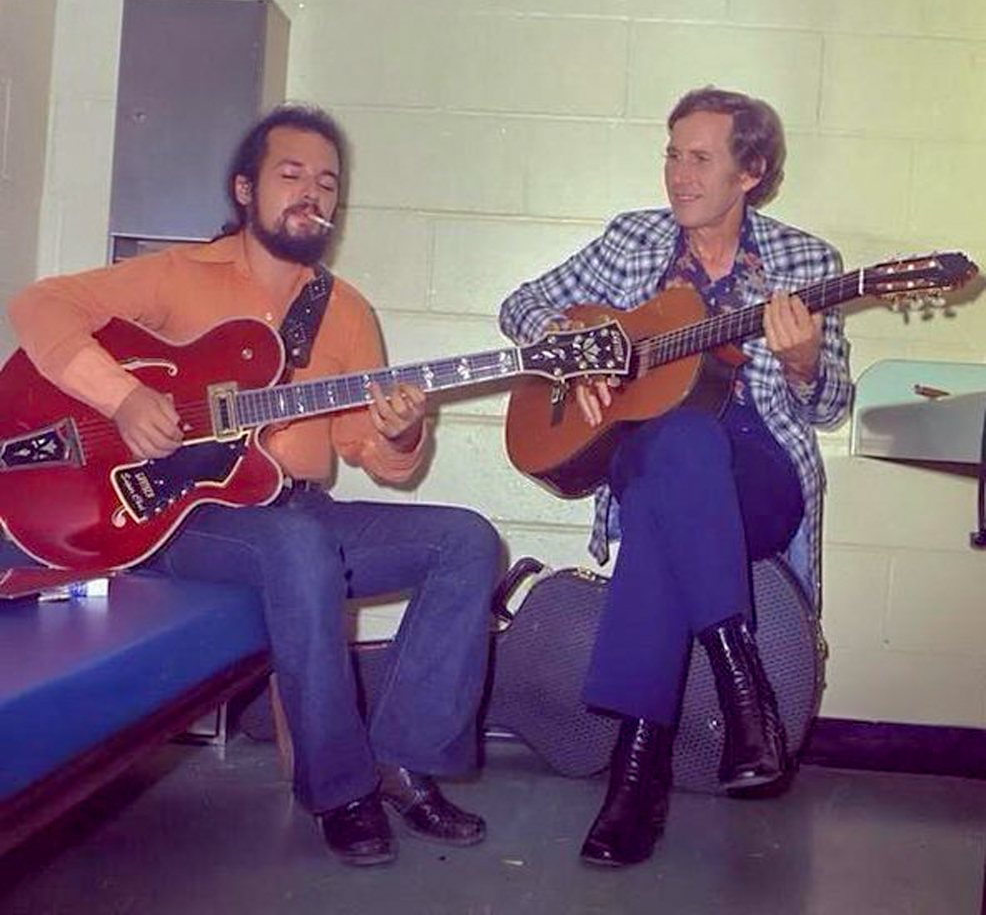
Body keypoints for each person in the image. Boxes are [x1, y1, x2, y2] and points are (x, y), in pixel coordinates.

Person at [6, 104, 502, 867]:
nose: (312, 193)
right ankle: (342, 792)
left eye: (327, 182)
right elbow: (39, 306)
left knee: (466, 540)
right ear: (245, 189)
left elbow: (367, 450)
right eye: (291, 174)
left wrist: (402, 432)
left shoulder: (346, 312)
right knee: (298, 544)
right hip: (182, 522)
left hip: (296, 510)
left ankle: (405, 762)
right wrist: (125, 398)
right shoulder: (178, 275)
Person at [499, 87, 852, 868]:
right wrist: (580, 352)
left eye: (700, 158)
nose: (678, 175)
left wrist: (803, 364)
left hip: (757, 473)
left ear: (750, 171)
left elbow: (831, 406)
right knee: (677, 441)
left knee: (670, 490)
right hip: (648, 455)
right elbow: (522, 306)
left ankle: (637, 779)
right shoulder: (632, 239)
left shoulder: (807, 263)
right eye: (671, 154)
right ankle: (742, 688)